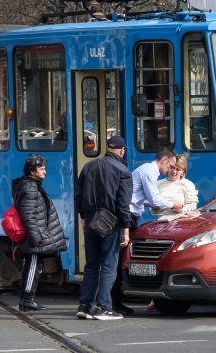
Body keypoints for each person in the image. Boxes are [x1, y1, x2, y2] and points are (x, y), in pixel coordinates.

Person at [113, 147, 183, 315]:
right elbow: (154, 199)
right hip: (127, 216)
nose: (170, 170)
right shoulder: (149, 171)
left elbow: (145, 200)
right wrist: (174, 205)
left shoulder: (146, 170)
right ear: (165, 160)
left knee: (120, 258)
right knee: (118, 260)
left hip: (130, 216)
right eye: (171, 166)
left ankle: (114, 301)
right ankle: (112, 302)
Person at [75, 136, 133, 321]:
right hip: (111, 223)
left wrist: (83, 218)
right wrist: (126, 228)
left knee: (91, 265)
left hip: (91, 221)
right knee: (109, 264)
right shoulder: (123, 171)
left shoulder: (88, 167)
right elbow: (123, 205)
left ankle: (84, 305)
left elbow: (78, 195)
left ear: (107, 148)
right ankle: (103, 307)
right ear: (122, 150)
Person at [13, 155, 67, 312]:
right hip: (35, 237)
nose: (45, 172)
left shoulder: (32, 186)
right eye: (42, 169)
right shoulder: (30, 188)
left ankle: (27, 300)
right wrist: (36, 239)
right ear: (32, 171)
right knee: (32, 267)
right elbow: (28, 216)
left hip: (36, 235)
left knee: (35, 266)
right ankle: (27, 299)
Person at [145, 155, 199, 312]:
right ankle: (154, 297)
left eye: (178, 169)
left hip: (179, 224)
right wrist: (154, 209)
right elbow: (152, 204)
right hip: (161, 224)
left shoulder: (186, 185)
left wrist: (179, 208)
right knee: (156, 259)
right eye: (173, 168)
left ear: (183, 171)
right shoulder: (159, 184)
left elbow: (193, 205)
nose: (174, 172)